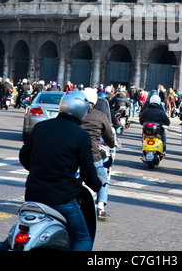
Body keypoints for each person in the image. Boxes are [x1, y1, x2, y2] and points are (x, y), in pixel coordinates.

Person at [18, 90, 103, 251]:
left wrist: (39, 169)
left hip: (33, 195)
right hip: (62, 198)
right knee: (83, 237)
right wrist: (99, 185)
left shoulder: (40, 127)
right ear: (82, 111)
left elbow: (24, 157)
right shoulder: (81, 136)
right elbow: (87, 173)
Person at [81, 87, 115, 221]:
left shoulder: (76, 114)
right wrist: (112, 144)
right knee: (104, 178)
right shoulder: (101, 115)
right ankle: (100, 207)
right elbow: (109, 136)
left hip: (72, 154)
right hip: (92, 155)